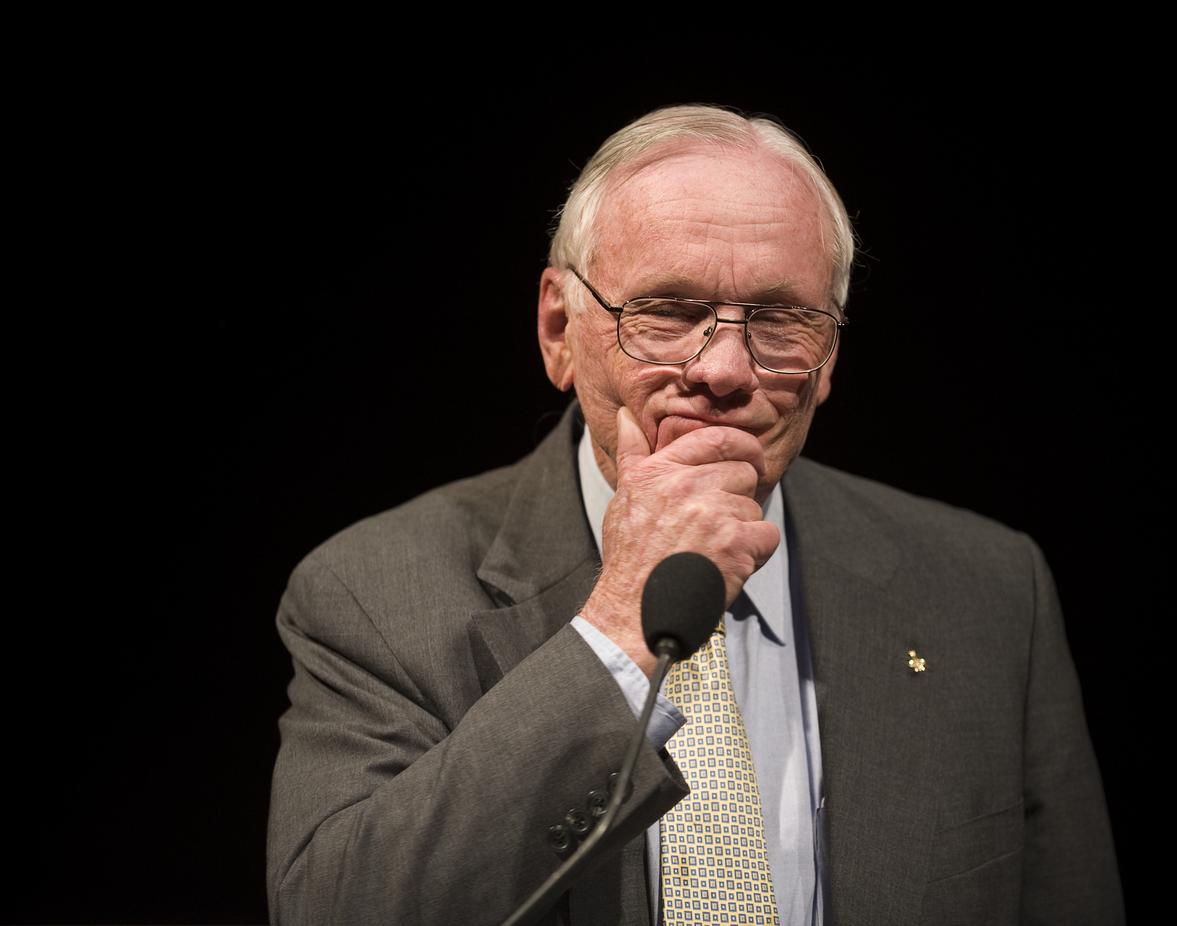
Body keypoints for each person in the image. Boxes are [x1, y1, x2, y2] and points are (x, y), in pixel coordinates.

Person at [266, 104, 1124, 925]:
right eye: (669, 312)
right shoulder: (373, 591)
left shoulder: (990, 589)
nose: (722, 368)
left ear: (828, 360)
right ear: (559, 329)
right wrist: (616, 630)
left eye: (781, 319)